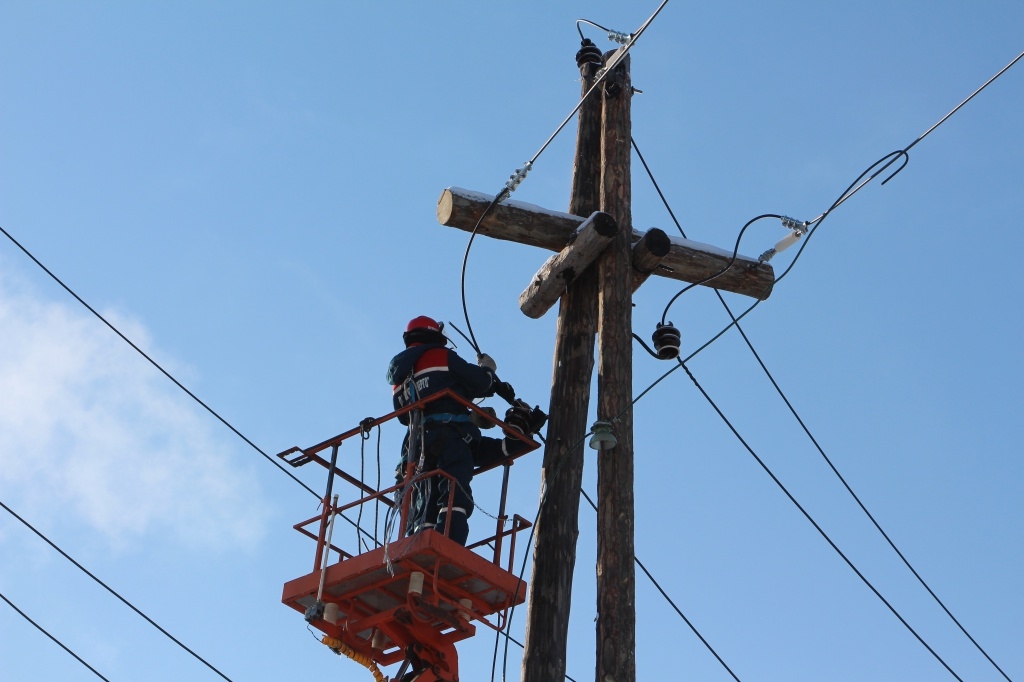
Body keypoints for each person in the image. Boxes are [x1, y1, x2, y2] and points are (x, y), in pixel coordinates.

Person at [386, 315, 545, 545]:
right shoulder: (441, 356)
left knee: (425, 500)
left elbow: (405, 414)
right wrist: (488, 370)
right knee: (453, 493)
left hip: (415, 447)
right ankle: (448, 543)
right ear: (434, 335)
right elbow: (479, 382)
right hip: (451, 438)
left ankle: (420, 541)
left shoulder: (399, 379)